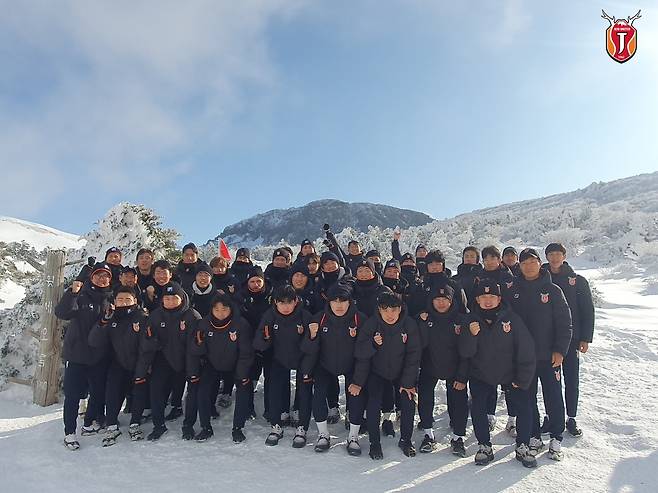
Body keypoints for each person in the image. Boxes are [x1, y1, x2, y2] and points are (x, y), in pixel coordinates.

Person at [459, 279, 537, 468]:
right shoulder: (471, 320)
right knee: (477, 407)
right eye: (483, 297)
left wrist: (522, 377)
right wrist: (471, 335)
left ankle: (523, 445)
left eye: (492, 296)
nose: (487, 301)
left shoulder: (512, 319)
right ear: (477, 299)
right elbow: (465, 352)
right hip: (481, 374)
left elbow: (526, 350)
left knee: (524, 406)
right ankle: (484, 445)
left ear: (499, 298)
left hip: (510, 374)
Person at [507, 248, 572, 461]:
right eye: (524, 263)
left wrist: (560, 350)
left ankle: (556, 436)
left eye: (532, 261)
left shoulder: (553, 290)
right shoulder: (513, 290)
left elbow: (565, 324)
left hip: (549, 356)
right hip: (523, 357)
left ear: (539, 263)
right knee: (527, 398)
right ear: (520, 266)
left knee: (553, 396)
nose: (528, 266)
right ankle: (534, 435)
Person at [353, 291, 421, 460]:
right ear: (379, 310)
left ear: (400, 309)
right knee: (374, 402)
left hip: (401, 372)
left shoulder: (409, 325)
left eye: (394, 310)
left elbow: (414, 355)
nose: (390, 315)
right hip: (377, 372)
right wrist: (373, 346)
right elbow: (360, 353)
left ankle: (406, 440)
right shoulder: (372, 324)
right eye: (385, 310)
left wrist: (407, 382)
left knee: (408, 399)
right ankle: (374, 443)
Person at [301, 282, 367, 455]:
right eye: (335, 301)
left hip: (351, 364)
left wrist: (359, 379)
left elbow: (364, 351)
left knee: (355, 395)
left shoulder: (359, 319)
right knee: (319, 393)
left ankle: (353, 436)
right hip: (325, 364)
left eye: (343, 301)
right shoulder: (319, 318)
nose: (339, 305)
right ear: (329, 302)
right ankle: (323, 434)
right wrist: (313, 336)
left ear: (350, 302)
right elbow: (307, 349)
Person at [56, 262, 114, 450]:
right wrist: (72, 292)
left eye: (106, 276)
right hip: (77, 355)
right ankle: (70, 432)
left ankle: (88, 424)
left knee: (98, 393)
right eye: (98, 275)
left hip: (99, 356)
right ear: (91, 277)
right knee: (73, 396)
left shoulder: (111, 298)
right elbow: (62, 312)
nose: (102, 279)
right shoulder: (81, 294)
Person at [135, 282, 201, 441]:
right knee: (156, 388)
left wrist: (193, 371)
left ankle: (188, 425)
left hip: (188, 358)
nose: (170, 302)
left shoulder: (192, 316)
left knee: (192, 391)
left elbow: (197, 345)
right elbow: (146, 344)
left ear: (182, 298)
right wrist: (142, 371)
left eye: (174, 298)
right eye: (167, 298)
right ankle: (159, 425)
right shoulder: (156, 316)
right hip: (163, 358)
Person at [542, 242, 595, 437]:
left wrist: (585, 338)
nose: (555, 258)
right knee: (549, 382)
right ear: (546, 256)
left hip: (571, 338)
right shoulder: (540, 278)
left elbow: (587, 310)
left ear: (564, 256)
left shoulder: (577, 280)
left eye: (558, 254)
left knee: (571, 379)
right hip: (547, 340)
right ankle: (550, 416)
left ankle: (571, 418)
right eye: (551, 254)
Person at [187, 293, 255, 442]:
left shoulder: (241, 324)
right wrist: (198, 345)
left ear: (231, 309)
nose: (220, 313)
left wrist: (242, 373)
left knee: (243, 388)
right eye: (216, 309)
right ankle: (206, 427)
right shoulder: (204, 324)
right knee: (202, 391)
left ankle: (238, 427)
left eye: (224, 309)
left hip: (236, 364)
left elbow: (246, 352)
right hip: (213, 363)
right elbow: (195, 351)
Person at [88, 286, 149, 445]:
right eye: (120, 299)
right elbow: (94, 341)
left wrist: (142, 369)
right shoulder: (112, 318)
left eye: (127, 299)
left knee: (139, 391)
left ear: (135, 301)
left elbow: (147, 347)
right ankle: (112, 424)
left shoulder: (141, 317)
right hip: (118, 363)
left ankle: (135, 422)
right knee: (113, 392)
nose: (124, 302)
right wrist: (104, 321)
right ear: (115, 301)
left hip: (138, 363)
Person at [253, 285, 313, 448]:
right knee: (274, 389)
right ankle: (276, 424)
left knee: (305, 391)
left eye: (289, 302)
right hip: (279, 358)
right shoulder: (270, 315)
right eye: (281, 303)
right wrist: (265, 339)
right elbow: (258, 341)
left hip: (301, 359)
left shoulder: (304, 316)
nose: (285, 306)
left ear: (295, 302)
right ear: (275, 303)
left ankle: (302, 427)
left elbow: (313, 343)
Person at [416, 285, 468, 457]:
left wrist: (462, 375)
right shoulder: (425, 318)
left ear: (451, 301)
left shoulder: (460, 319)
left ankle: (458, 437)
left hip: (455, 367)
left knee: (459, 400)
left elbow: (465, 350)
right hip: (429, 366)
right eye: (437, 299)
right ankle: (428, 433)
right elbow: (421, 344)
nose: (440, 303)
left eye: (444, 299)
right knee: (425, 398)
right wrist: (422, 322)